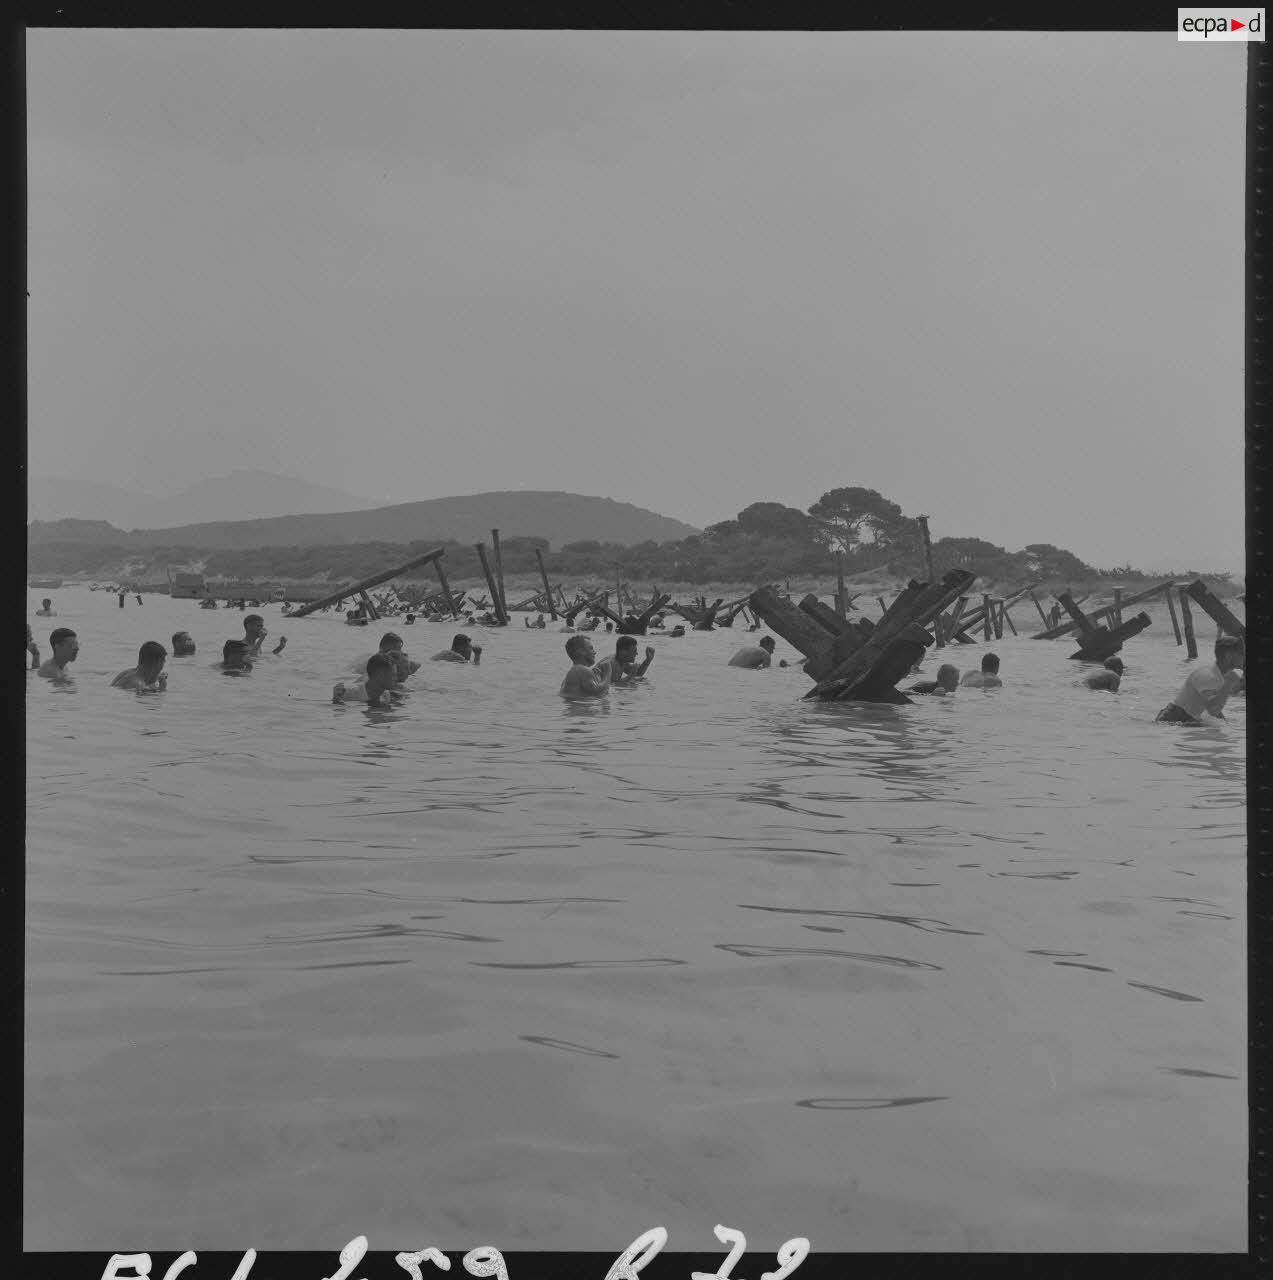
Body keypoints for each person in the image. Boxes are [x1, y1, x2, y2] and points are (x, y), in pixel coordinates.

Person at [1156, 636, 1244, 724]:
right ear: (1228, 656)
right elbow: (1213, 709)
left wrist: (1226, 722)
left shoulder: (1217, 674)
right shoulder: (1210, 676)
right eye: (1242, 654)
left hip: (1180, 719)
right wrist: (1229, 683)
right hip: (1171, 721)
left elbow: (1214, 705)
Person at [333, 652, 401, 705]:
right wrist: (337, 701)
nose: (396, 678)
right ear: (380, 674)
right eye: (393, 675)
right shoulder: (349, 693)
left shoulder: (385, 695)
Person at [559, 634, 613, 699]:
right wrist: (607, 672)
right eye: (591, 648)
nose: (595, 652)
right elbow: (599, 693)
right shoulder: (581, 670)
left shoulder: (576, 671)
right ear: (581, 651)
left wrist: (598, 677)